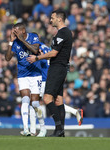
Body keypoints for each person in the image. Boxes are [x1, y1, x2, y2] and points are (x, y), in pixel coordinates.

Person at [27, 9, 73, 137]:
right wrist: (44, 56)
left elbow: (54, 53)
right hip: (60, 66)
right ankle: (61, 131)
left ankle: (59, 128)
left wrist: (37, 58)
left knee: (47, 98)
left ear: (59, 18)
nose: (50, 20)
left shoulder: (63, 33)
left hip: (57, 68)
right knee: (58, 100)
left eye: (52, 18)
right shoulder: (63, 33)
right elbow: (55, 54)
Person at [5, 23, 46, 137]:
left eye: (16, 31)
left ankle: (42, 127)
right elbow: (8, 58)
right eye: (13, 31)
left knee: (35, 103)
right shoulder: (15, 42)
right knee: (25, 99)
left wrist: (22, 40)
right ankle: (26, 129)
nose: (14, 33)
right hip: (23, 75)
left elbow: (35, 50)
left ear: (23, 31)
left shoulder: (33, 37)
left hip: (35, 74)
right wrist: (10, 42)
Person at [37, 41, 83, 126]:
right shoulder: (50, 50)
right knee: (56, 102)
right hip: (55, 78)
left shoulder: (39, 49)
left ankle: (39, 128)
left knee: (37, 102)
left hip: (45, 80)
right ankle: (75, 112)